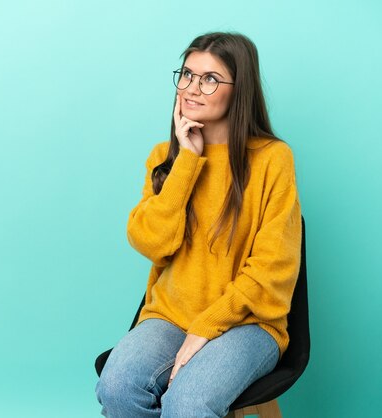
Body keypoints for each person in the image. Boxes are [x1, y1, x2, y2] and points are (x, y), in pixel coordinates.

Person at [94, 31, 302, 418]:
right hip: (170, 316)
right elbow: (149, 242)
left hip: (248, 323)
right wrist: (187, 162)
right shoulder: (165, 157)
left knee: (188, 404)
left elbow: (275, 268)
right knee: (117, 387)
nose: (192, 88)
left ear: (240, 90)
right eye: (187, 74)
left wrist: (207, 325)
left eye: (209, 79)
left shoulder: (272, 159)